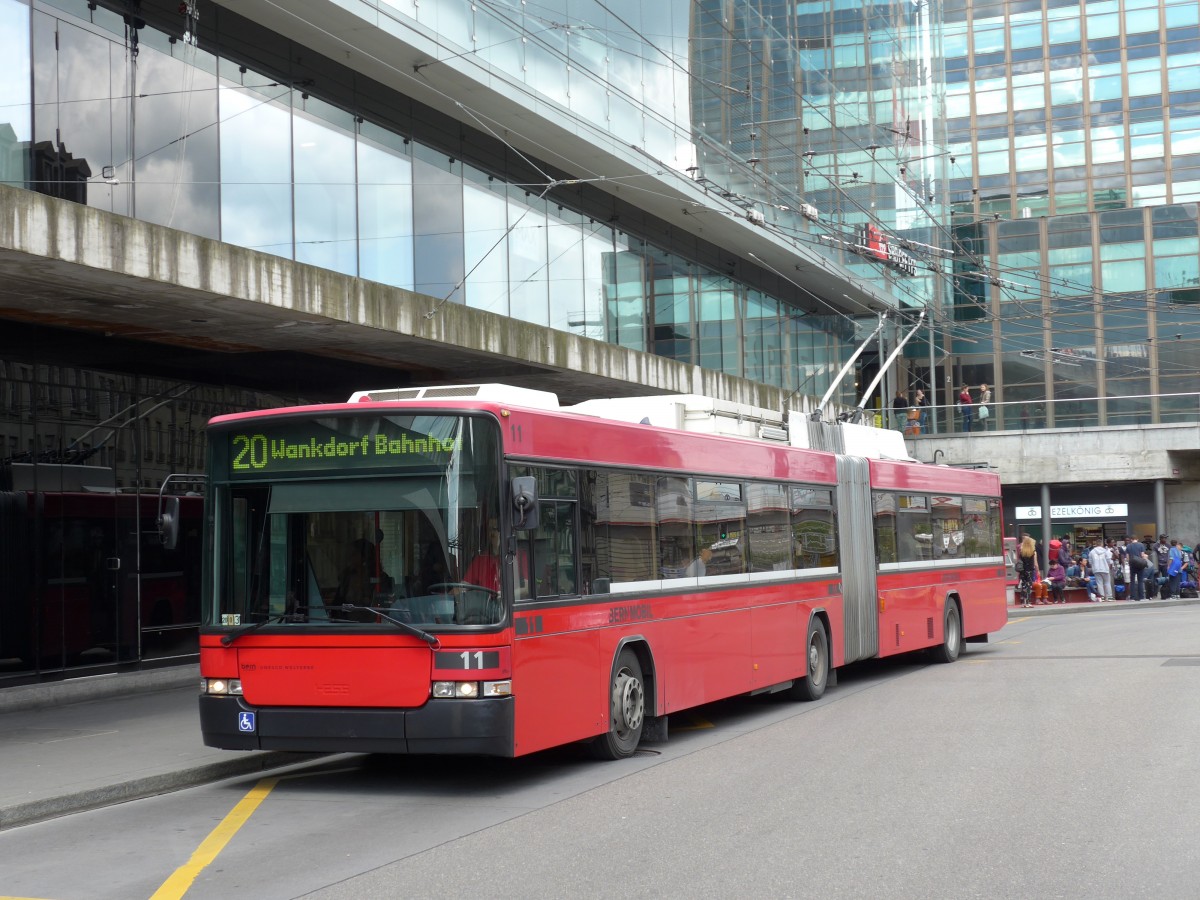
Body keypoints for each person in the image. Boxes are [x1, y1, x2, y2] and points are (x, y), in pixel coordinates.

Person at [1016, 535, 1039, 606]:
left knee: (1024, 585)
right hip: (1030, 571)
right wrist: (1037, 571)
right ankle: (1028, 602)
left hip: (1023, 571)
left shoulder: (1022, 552)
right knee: (1029, 586)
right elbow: (1035, 563)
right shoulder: (1032, 552)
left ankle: (1023, 602)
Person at [1126, 534, 1148, 601]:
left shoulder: (1128, 546)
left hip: (1132, 565)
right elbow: (1142, 555)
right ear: (1137, 539)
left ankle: (1132, 597)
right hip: (1140, 565)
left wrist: (1130, 563)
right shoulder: (1141, 545)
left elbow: (1127, 557)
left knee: (1132, 581)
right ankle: (1141, 597)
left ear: (1131, 540)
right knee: (1140, 581)